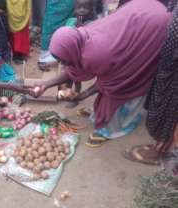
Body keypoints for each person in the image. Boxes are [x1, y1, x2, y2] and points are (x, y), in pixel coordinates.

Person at [31, 0, 170, 148]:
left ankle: (116, 128)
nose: (64, 64)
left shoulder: (96, 55)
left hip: (153, 26)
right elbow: (72, 70)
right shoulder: (80, 37)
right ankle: (100, 113)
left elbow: (105, 83)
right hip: (142, 10)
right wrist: (45, 85)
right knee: (111, 82)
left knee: (122, 85)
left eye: (64, 60)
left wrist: (82, 95)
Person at [123, 0, 178, 165]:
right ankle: (163, 146)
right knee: (163, 106)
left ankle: (161, 152)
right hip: (169, 65)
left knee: (172, 110)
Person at [64, 0, 103, 109]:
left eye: (85, 8)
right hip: (69, 55)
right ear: (74, 8)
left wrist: (81, 26)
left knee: (77, 78)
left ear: (91, 9)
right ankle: (67, 94)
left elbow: (91, 39)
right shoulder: (71, 21)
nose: (81, 10)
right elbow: (66, 33)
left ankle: (75, 97)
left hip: (81, 56)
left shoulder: (92, 24)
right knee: (68, 76)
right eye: (78, 7)